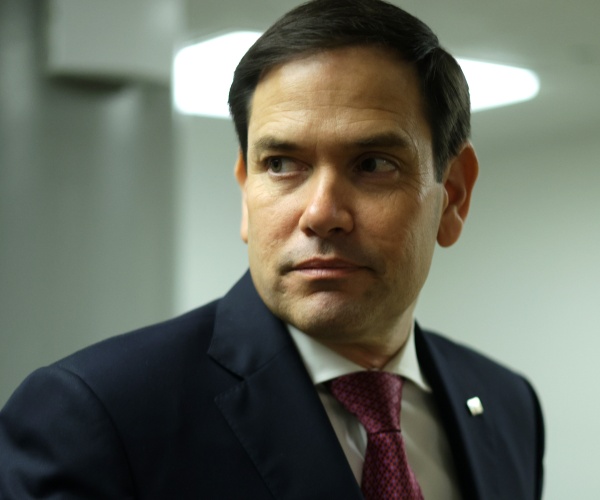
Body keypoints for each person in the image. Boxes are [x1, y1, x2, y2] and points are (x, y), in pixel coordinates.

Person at [0, 0, 544, 498]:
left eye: (373, 164)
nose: (321, 214)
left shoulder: (505, 404)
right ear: (245, 188)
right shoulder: (100, 414)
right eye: (281, 164)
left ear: (452, 196)